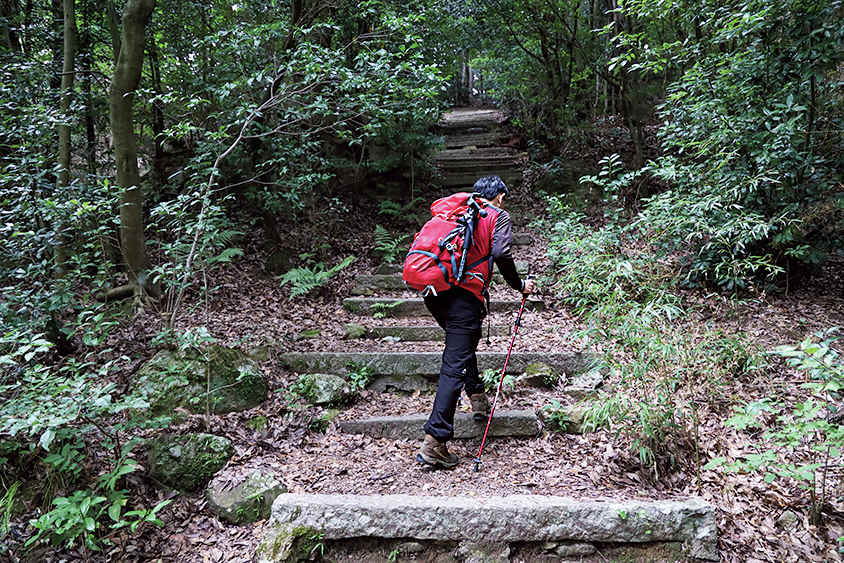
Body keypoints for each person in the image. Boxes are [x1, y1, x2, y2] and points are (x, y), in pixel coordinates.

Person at [416, 175, 537, 469]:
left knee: (462, 348)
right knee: (453, 363)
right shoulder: (497, 214)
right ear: (500, 196)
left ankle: (477, 395)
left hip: (434, 293)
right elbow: (500, 252)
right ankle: (435, 441)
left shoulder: (456, 212)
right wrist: (519, 285)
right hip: (464, 298)